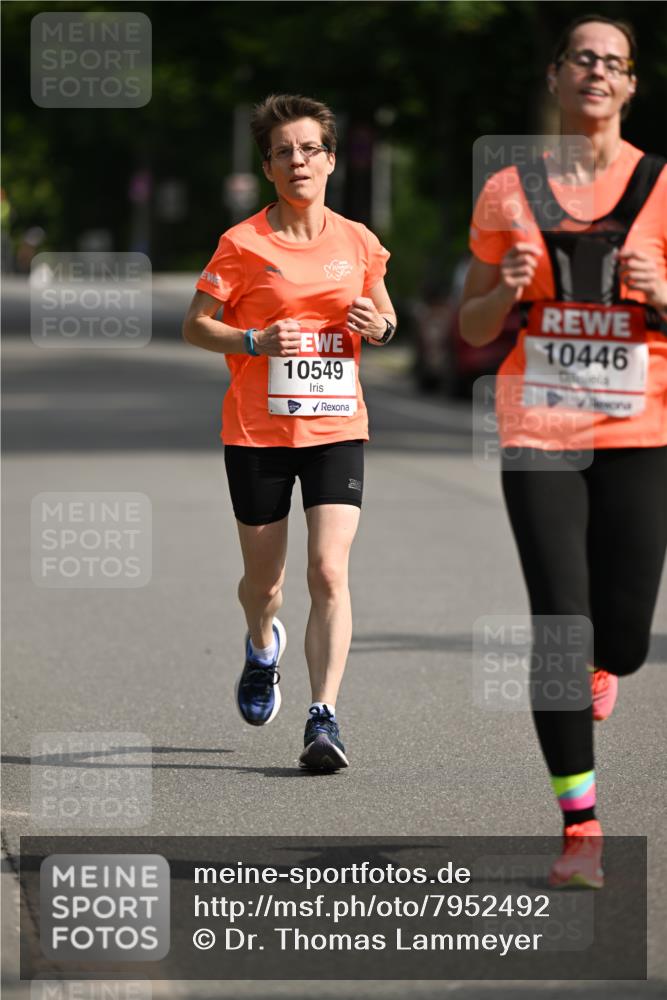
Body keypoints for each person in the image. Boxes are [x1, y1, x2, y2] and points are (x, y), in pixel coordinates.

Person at [461, 15, 666, 887]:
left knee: (618, 639)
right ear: (555, 78)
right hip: (538, 427)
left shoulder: (661, 186)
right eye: (582, 58)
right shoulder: (508, 190)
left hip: (639, 429)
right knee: (557, 620)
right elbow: (467, 327)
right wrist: (501, 294)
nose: (596, 72)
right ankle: (579, 827)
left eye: (612, 63)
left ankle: (602, 664)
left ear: (628, 87)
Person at [183, 94, 396, 772]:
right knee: (265, 585)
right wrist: (252, 338)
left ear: (330, 160)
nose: (298, 160)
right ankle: (259, 644)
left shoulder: (358, 241)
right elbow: (195, 325)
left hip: (336, 426)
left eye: (309, 149)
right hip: (256, 432)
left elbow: (387, 318)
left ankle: (322, 716)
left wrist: (379, 326)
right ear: (269, 167)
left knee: (329, 570)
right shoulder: (241, 244)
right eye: (284, 152)